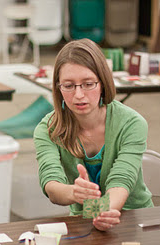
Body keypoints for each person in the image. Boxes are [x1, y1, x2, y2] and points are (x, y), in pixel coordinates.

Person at [33, 39, 153, 231]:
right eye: (69, 86)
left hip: (133, 219)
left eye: (88, 84)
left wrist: (100, 211)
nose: (79, 95)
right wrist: (73, 193)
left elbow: (121, 181)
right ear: (58, 88)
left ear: (103, 83)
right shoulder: (48, 129)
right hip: (82, 223)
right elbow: (51, 183)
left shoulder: (132, 123)